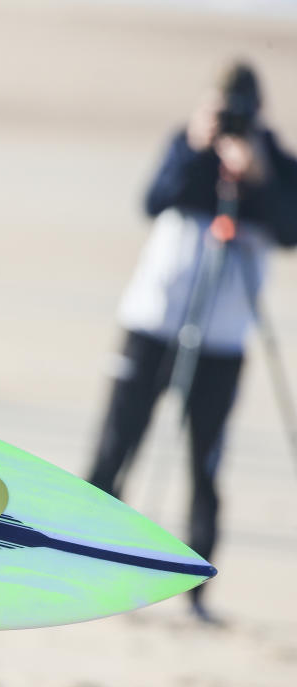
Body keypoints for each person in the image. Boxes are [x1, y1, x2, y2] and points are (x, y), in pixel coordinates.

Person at [87, 61, 297, 624]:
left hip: (224, 339)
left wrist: (257, 178)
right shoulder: (188, 144)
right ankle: (83, 565)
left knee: (205, 463)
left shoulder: (274, 161)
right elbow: (153, 199)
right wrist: (193, 143)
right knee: (115, 449)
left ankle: (196, 591)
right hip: (153, 321)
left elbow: (290, 228)